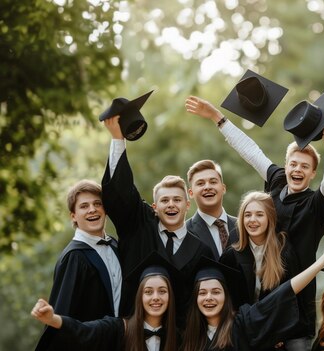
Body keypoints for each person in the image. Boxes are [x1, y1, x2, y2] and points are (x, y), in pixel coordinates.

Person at [185, 95, 324, 347]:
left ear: (312, 173)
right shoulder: (277, 182)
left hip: (296, 307)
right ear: (285, 166)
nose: (297, 170)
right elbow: (252, 152)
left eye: (304, 167)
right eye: (293, 164)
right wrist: (217, 118)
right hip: (260, 303)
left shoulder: (315, 203)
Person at [101, 115, 212, 326]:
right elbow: (121, 191)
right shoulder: (139, 227)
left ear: (187, 205)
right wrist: (117, 139)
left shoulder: (201, 250)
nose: (171, 204)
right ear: (154, 207)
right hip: (133, 332)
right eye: (164, 200)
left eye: (177, 200)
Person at [180, 242, 324, 351]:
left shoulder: (243, 322)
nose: (209, 297)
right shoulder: (189, 334)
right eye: (202, 293)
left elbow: (283, 293)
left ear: (226, 296)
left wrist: (322, 261)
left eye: (216, 292)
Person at [35, 180, 122, 351]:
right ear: (73, 216)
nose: (92, 209)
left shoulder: (114, 245)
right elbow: (61, 317)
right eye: (84, 206)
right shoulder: (74, 258)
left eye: (98, 203)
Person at [31, 252, 178, 351]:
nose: (155, 297)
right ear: (140, 297)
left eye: (162, 291)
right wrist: (53, 318)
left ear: (170, 296)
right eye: (148, 292)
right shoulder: (118, 329)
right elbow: (83, 331)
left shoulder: (179, 337)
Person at [186, 159, 239, 259]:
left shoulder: (243, 227)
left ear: (223, 188)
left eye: (213, 182)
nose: (207, 187)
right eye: (200, 183)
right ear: (191, 193)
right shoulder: (184, 232)